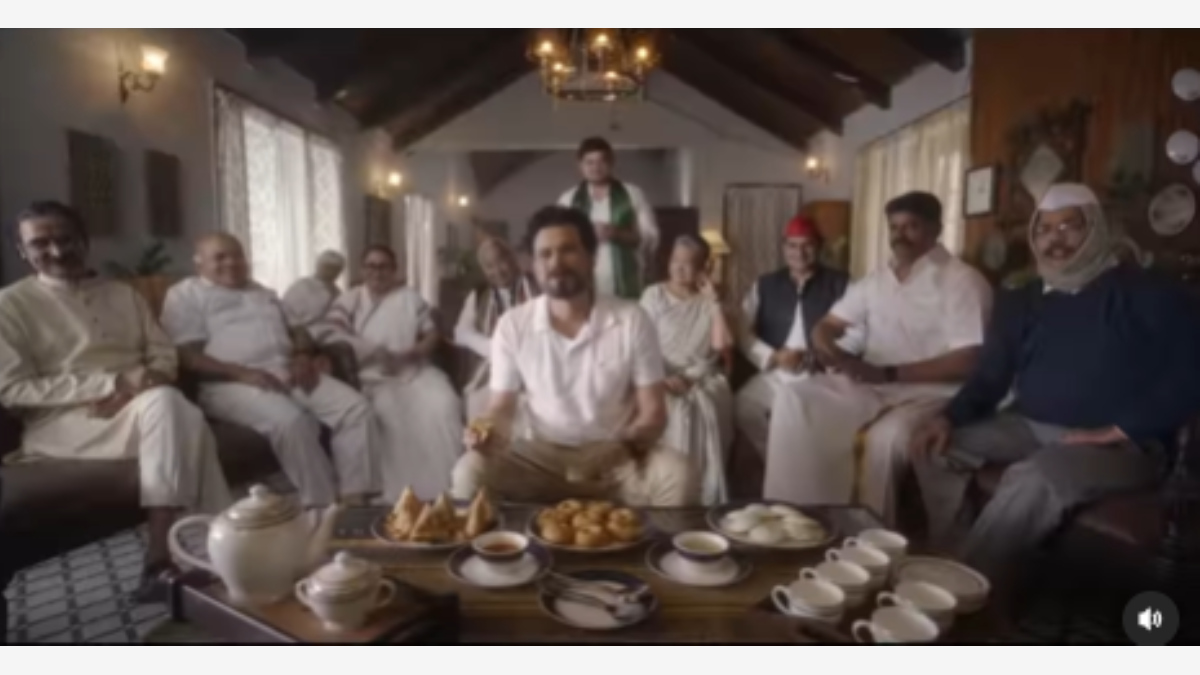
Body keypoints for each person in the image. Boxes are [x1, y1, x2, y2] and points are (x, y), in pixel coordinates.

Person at [908, 183, 1200, 584]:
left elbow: (1190, 373)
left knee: (1036, 478)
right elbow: (991, 375)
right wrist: (948, 417)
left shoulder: (1147, 292)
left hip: (1122, 446)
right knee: (932, 446)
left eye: (1069, 227)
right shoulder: (1022, 297)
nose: (1054, 240)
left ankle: (960, 593)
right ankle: (956, 555)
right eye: (1044, 229)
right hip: (1028, 427)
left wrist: (1117, 430)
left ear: (1095, 228)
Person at [0, 201, 231, 597]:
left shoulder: (124, 294)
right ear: (23, 251)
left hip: (142, 407)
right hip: (62, 424)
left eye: (66, 239)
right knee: (177, 411)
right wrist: (111, 384)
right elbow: (12, 389)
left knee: (172, 408)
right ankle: (188, 552)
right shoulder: (9, 305)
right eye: (40, 243)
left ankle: (187, 559)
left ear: (84, 241)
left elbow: (163, 355)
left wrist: (136, 389)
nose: (56, 250)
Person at [764, 192, 992, 523]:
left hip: (933, 392)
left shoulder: (963, 281)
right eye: (894, 227)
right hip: (873, 384)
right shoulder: (877, 279)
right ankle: (796, 517)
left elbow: (969, 359)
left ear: (936, 229)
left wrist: (889, 374)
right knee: (794, 399)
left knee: (883, 440)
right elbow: (826, 326)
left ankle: (865, 534)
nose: (900, 235)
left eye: (911, 226)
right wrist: (830, 349)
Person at [450, 205, 697, 506]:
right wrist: (486, 431)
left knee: (678, 474)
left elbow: (653, 412)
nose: (556, 263)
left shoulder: (632, 319)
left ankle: (654, 540)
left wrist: (623, 446)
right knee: (469, 472)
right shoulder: (513, 325)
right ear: (533, 264)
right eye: (545, 254)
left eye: (568, 250)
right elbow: (501, 407)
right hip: (539, 457)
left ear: (591, 258)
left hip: (617, 455)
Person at [160, 233, 378, 509]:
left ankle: (355, 497)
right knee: (292, 422)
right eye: (220, 257)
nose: (231, 262)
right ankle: (324, 507)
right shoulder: (185, 295)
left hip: (286, 371)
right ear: (199, 263)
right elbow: (187, 355)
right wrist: (240, 373)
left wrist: (302, 355)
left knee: (356, 409)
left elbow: (298, 329)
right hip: (229, 383)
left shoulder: (262, 292)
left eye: (237, 255)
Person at [319, 244, 464, 500]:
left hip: (415, 370)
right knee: (391, 415)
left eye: (383, 266)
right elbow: (332, 333)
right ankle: (403, 495)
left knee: (445, 404)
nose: (377, 272)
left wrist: (412, 354)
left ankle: (452, 487)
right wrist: (374, 352)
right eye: (371, 266)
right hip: (374, 376)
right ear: (362, 270)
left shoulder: (410, 298)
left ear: (394, 270)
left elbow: (432, 334)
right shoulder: (350, 300)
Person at [734, 215, 850, 459]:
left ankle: (806, 464)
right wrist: (773, 356)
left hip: (822, 373)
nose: (799, 253)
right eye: (793, 245)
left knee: (810, 421)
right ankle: (776, 459)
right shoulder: (765, 284)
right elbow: (741, 330)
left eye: (807, 245)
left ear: (819, 246)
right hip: (777, 371)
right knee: (744, 406)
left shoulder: (841, 284)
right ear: (783, 247)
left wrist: (819, 358)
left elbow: (857, 332)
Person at [640, 235, 735, 505]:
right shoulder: (654, 295)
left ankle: (701, 501)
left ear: (704, 267)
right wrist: (662, 377)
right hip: (660, 374)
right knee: (671, 408)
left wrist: (714, 302)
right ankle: (669, 497)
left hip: (702, 376)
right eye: (675, 261)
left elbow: (721, 345)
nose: (679, 268)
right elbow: (640, 346)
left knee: (705, 404)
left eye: (688, 263)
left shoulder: (710, 300)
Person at [557, 136, 659, 299]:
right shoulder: (568, 200)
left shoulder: (633, 194)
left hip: (627, 281)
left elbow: (651, 237)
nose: (596, 168)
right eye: (590, 162)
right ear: (580, 166)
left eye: (601, 161)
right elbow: (559, 240)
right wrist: (585, 235)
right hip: (582, 282)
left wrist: (617, 233)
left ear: (611, 162)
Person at [454, 236, 537, 420]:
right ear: (483, 270)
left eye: (501, 261)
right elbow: (460, 333)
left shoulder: (535, 286)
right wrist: (495, 348)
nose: (497, 270)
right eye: (489, 266)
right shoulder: (479, 295)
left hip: (533, 366)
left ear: (511, 258)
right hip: (493, 369)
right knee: (478, 403)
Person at [282, 250, 346, 336]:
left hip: (331, 332)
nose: (332, 272)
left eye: (337, 269)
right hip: (303, 331)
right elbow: (288, 312)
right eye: (329, 268)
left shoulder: (338, 292)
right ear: (319, 266)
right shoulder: (302, 286)